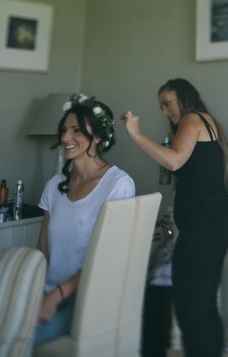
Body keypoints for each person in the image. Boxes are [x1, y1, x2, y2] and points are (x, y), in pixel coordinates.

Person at [121, 79, 228, 357]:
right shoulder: (207, 122)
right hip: (215, 222)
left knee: (189, 311)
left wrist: (135, 134)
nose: (164, 111)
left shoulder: (192, 118)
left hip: (203, 227)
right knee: (205, 306)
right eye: (161, 105)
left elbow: (173, 161)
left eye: (167, 103)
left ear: (183, 98)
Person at [35, 93, 136, 346]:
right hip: (47, 294)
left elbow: (108, 258)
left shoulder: (118, 184)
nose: (66, 138)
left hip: (86, 301)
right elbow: (42, 250)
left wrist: (56, 296)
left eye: (77, 131)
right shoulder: (55, 185)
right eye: (64, 130)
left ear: (98, 136)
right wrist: (32, 291)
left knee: (15, 339)